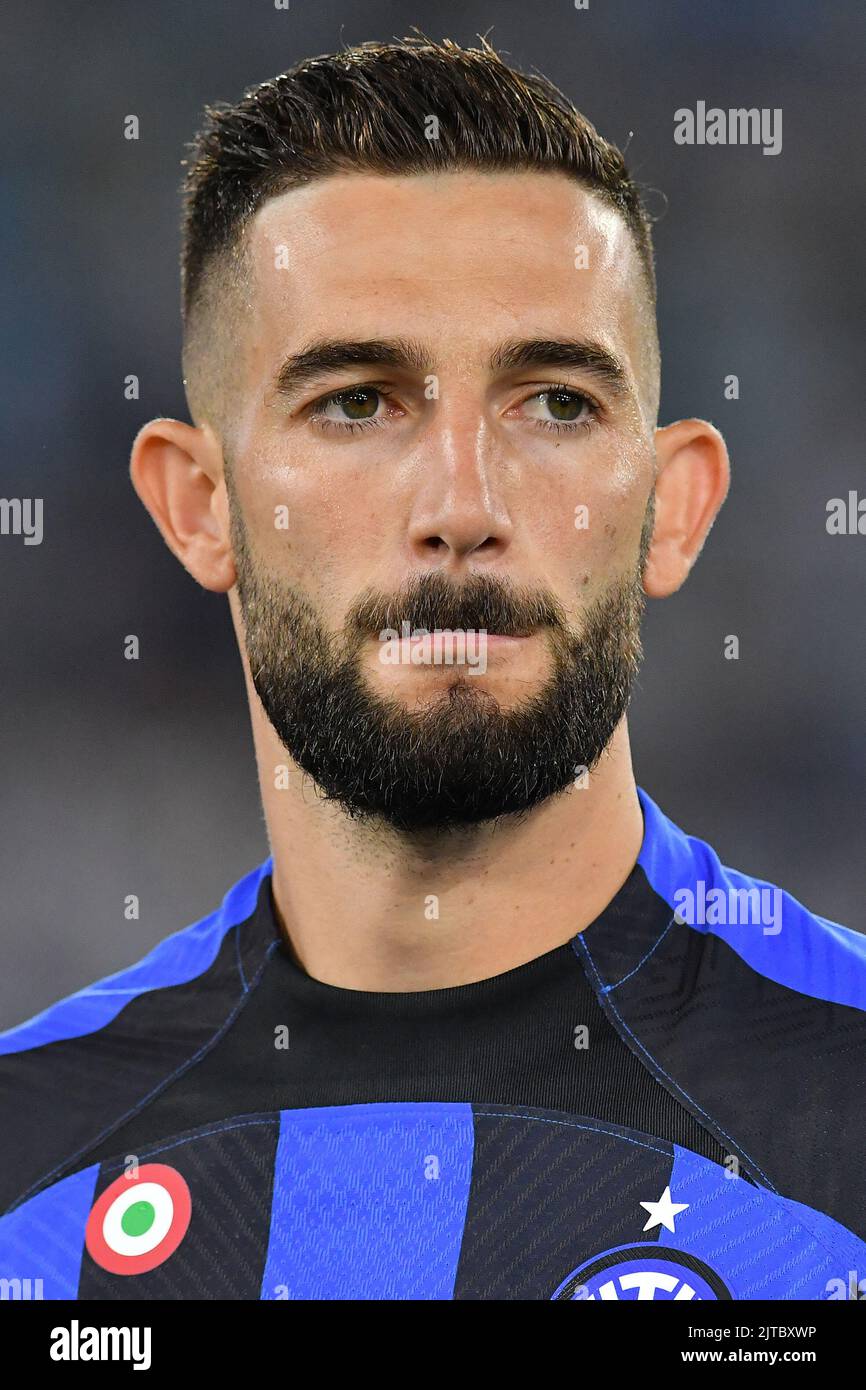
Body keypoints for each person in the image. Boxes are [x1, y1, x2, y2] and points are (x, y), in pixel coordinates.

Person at [1, 35, 864, 1303]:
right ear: (200, 507)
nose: (461, 504)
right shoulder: (27, 1159)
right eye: (356, 401)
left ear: (671, 508)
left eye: (555, 402)